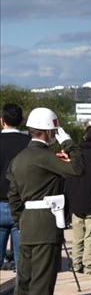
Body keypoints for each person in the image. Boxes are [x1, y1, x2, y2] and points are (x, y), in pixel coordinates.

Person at [6, 107, 85, 295]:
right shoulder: (45, 157)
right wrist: (68, 143)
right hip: (46, 226)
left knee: (24, 281)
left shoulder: (19, 159)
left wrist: (20, 221)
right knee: (42, 282)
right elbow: (78, 168)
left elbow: (14, 197)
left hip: (27, 224)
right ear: (50, 131)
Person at [65, 124, 91, 276]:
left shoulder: (76, 154)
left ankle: (75, 267)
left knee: (78, 239)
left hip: (75, 203)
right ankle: (89, 269)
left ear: (84, 137)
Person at [1, 103, 30, 273]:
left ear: (2, 121)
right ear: (22, 121)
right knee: (23, 263)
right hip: (22, 205)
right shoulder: (29, 144)